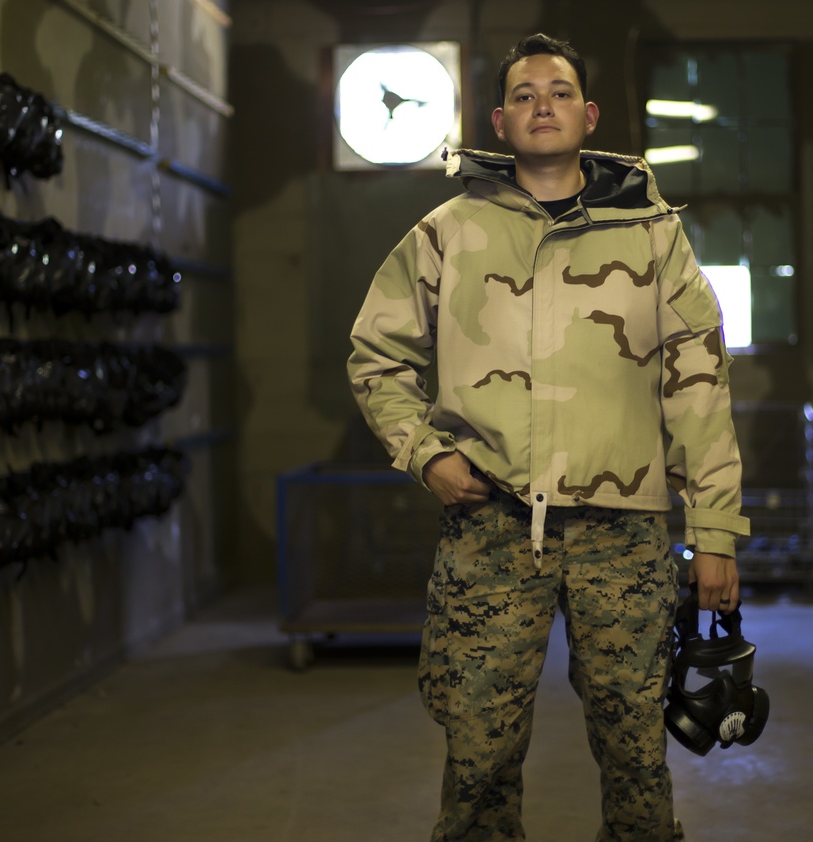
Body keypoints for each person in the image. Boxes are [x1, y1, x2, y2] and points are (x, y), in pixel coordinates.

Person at [346, 32, 750, 842]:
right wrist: (428, 454)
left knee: (636, 753)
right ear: (501, 120)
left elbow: (699, 388)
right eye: (526, 95)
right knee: (480, 754)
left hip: (624, 533)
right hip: (492, 528)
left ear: (588, 113)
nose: (543, 106)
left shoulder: (652, 235)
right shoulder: (446, 233)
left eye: (559, 92)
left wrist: (715, 534)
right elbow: (375, 355)